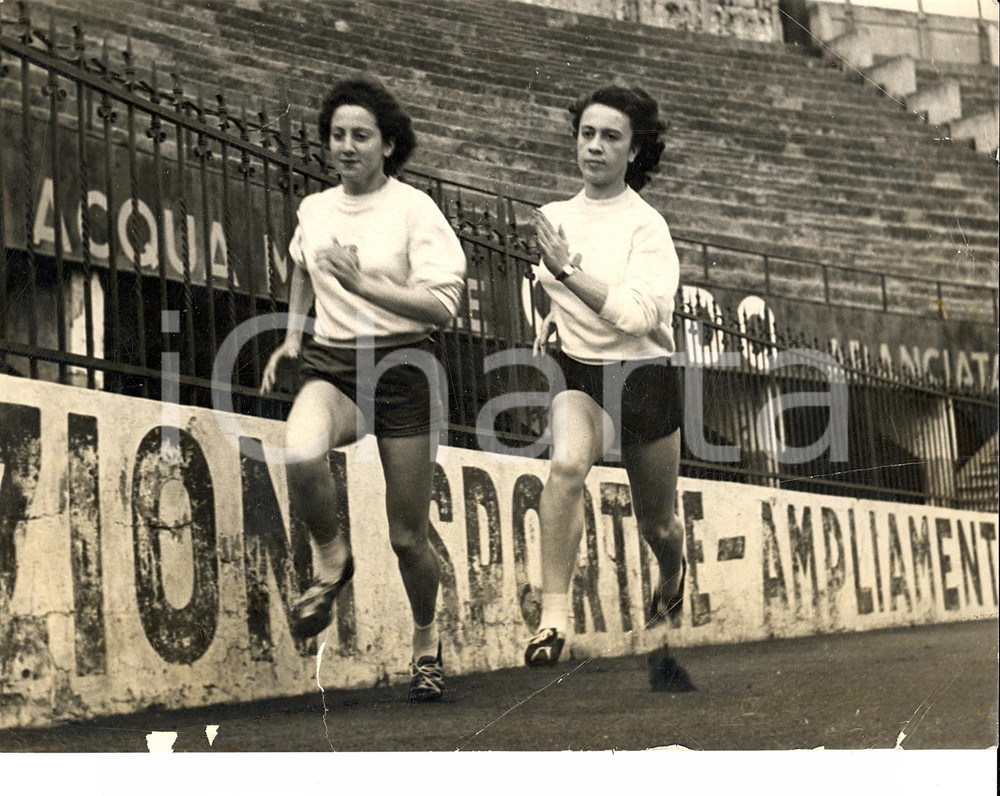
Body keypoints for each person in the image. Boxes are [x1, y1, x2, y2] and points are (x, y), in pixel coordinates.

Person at [261, 77, 466, 702]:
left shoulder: (415, 210)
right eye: (337, 135)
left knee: (407, 536)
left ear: (387, 144)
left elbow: (443, 307)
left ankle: (426, 643)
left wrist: (363, 285)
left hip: (405, 369)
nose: (345, 146)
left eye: (360, 136)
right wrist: (295, 335)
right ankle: (331, 562)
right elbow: (304, 263)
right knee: (299, 447)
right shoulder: (316, 208)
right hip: (335, 365)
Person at [526, 85, 687, 685]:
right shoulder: (555, 217)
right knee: (565, 469)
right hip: (581, 375)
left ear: (634, 150)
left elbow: (638, 316)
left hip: (642, 376)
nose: (594, 147)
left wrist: (569, 269)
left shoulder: (648, 228)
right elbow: (546, 288)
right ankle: (553, 620)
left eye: (610, 137)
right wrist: (549, 319)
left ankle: (672, 577)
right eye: (587, 134)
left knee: (658, 526)